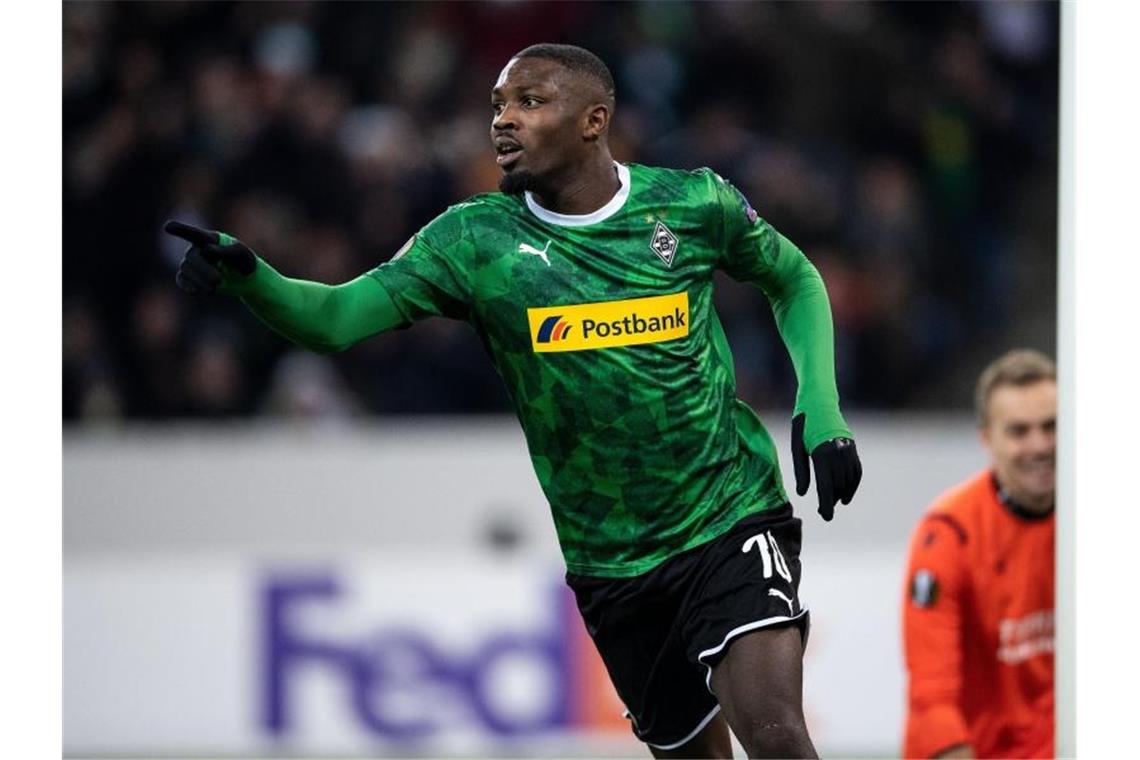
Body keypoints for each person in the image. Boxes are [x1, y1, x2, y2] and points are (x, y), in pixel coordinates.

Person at [167, 44, 862, 759]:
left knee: (776, 734)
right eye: (499, 104)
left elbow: (795, 279)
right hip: (611, 565)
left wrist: (823, 407)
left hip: (729, 515)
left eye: (530, 102)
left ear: (594, 120)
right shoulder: (474, 242)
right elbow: (335, 319)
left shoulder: (690, 203)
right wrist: (252, 279)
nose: (504, 121)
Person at [902, 349, 1056, 758]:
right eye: (1019, 431)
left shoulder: (1100, 525)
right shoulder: (949, 535)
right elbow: (933, 697)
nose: (1040, 445)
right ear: (987, 439)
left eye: (1051, 427)